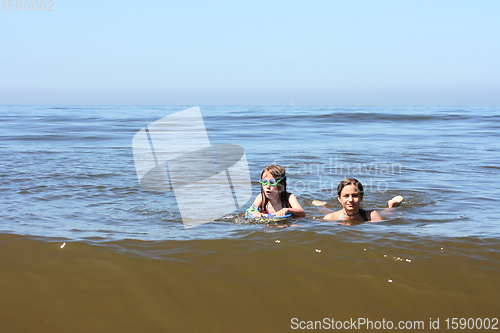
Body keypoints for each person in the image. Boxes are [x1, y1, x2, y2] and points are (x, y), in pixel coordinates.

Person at [312, 178, 403, 223]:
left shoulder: (371, 216)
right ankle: (322, 206)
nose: (350, 199)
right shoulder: (330, 218)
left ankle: (391, 207)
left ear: (361, 197)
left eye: (355, 195)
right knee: (329, 213)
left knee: (383, 214)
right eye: (346, 196)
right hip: (337, 215)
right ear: (339, 198)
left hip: (364, 216)